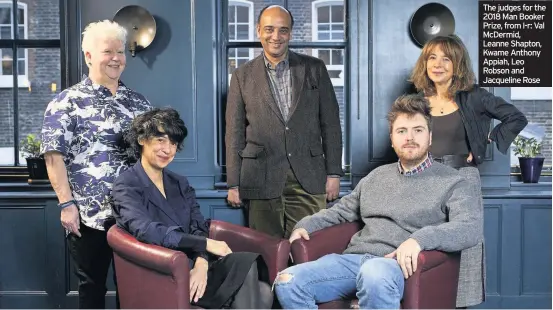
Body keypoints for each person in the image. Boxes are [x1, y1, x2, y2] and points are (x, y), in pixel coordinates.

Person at [274, 94, 483, 309]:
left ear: (430, 137)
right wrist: (306, 224)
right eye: (402, 131)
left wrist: (418, 240)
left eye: (418, 130)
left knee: (373, 273)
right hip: (355, 260)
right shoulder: (376, 177)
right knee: (287, 281)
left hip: (399, 266)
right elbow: (340, 211)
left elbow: (470, 228)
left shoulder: (453, 182)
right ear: (392, 139)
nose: (409, 137)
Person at [111, 108, 273, 309]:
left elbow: (198, 226)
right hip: (164, 271)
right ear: (142, 139)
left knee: (259, 283)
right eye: (161, 140)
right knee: (256, 286)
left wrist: (201, 262)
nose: (168, 149)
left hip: (195, 265)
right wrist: (205, 244)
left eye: (173, 143)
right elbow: (147, 231)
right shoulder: (126, 184)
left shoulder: (180, 183)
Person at [40, 20, 152, 309]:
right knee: (92, 287)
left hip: (134, 213)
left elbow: (153, 156)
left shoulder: (140, 103)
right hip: (87, 216)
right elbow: (53, 156)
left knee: (138, 284)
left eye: (120, 51)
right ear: (88, 55)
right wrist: (66, 205)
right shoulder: (66, 103)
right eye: (107, 51)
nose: (116, 58)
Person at [409, 34, 527, 307]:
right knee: (423, 241)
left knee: (466, 245)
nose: (438, 64)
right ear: (425, 63)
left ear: (457, 63)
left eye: (446, 58)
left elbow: (516, 117)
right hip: (424, 179)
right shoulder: (416, 101)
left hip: (462, 177)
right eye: (432, 58)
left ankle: (462, 304)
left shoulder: (474, 97)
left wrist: (486, 139)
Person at [225, 5, 343, 239]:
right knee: (268, 252)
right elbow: (234, 132)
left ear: (290, 33)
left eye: (283, 30)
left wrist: (334, 174)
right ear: (258, 30)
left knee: (307, 252)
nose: (275, 37)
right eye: (269, 29)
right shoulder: (242, 75)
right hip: (260, 177)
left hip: (309, 177)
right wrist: (233, 183)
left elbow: (330, 124)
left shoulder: (315, 68)